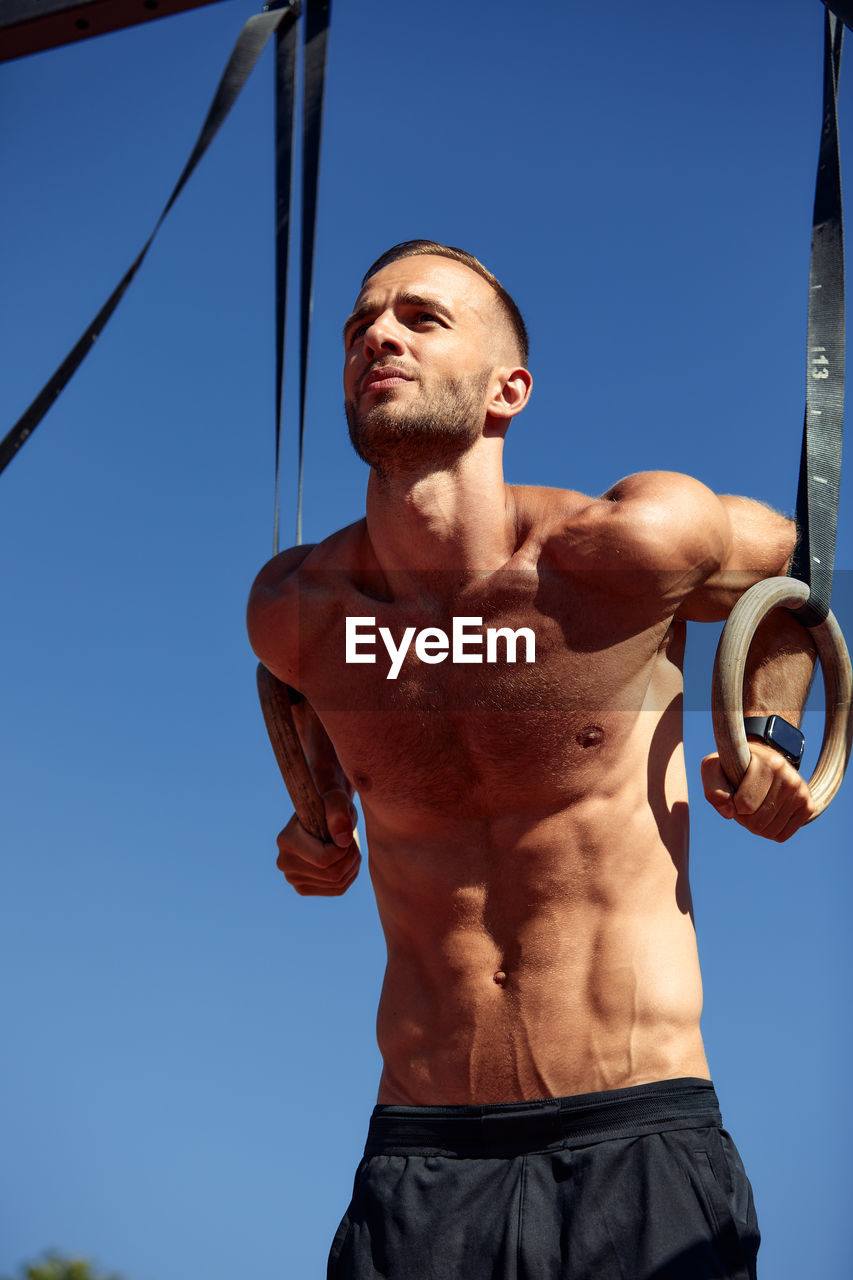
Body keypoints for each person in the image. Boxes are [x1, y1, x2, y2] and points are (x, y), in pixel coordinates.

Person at [247, 240, 816, 1279]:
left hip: (635, 1132)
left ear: (507, 388)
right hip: (419, 1157)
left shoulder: (621, 551)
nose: (377, 334)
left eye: (422, 319)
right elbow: (283, 677)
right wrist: (312, 802)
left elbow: (785, 566)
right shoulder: (295, 605)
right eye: (361, 325)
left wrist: (769, 734)